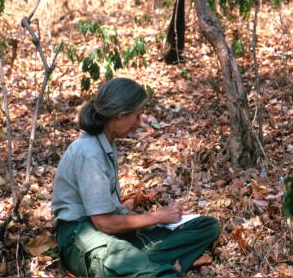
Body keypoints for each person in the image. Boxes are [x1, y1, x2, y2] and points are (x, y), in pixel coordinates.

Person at [51, 77, 220, 277]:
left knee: (206, 226)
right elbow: (103, 223)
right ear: (120, 116)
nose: (140, 123)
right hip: (81, 237)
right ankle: (155, 267)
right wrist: (157, 217)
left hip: (110, 231)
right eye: (137, 116)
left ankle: (143, 264)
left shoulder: (106, 142)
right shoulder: (89, 153)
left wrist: (154, 219)